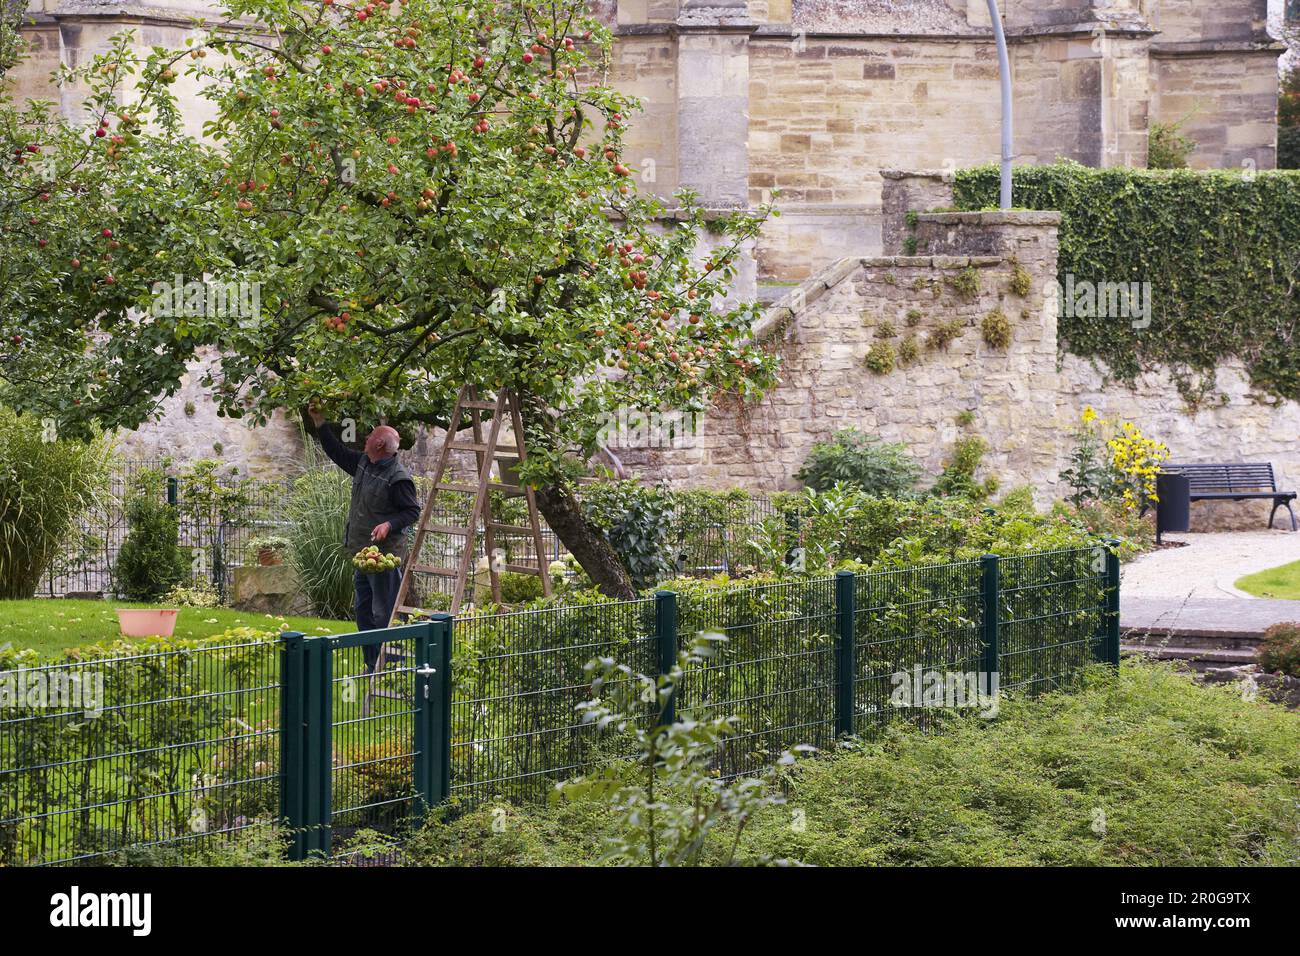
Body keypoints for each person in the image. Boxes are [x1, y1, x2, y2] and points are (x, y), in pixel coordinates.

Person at [307, 410, 421, 672]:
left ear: (379, 444)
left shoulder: (398, 477)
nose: (366, 437)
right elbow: (335, 451)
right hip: (363, 554)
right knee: (364, 612)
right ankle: (372, 665)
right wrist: (319, 421)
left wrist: (389, 524)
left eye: (371, 435)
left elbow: (412, 511)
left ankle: (392, 667)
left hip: (383, 558)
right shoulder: (363, 463)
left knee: (385, 613)